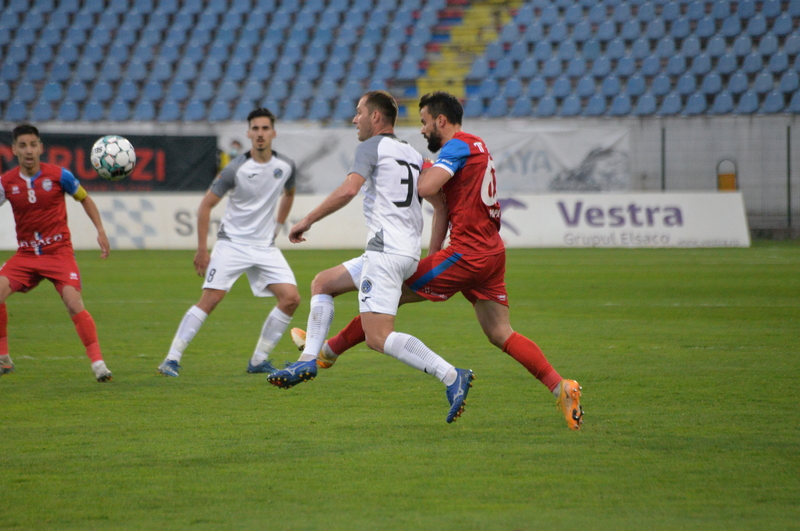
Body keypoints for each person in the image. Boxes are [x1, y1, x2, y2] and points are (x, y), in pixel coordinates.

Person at [292, 91, 584, 430]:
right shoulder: (478, 146)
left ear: (440, 121)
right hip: (491, 253)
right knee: (500, 332)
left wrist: (409, 168)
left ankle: (326, 353)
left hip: (466, 254)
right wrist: (433, 258)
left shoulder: (457, 146)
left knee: (387, 296)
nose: (422, 130)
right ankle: (561, 386)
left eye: (425, 122)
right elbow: (442, 208)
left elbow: (425, 185)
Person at [266, 90, 474, 424]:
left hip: (385, 253)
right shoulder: (413, 153)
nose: (354, 119)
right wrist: (431, 254)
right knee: (323, 283)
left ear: (376, 117)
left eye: (359, 112)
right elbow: (441, 205)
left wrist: (306, 220)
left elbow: (349, 189)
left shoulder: (370, 147)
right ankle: (308, 359)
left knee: (378, 337)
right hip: (403, 253)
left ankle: (451, 375)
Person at [0, 124, 113, 383]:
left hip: (59, 253)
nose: (29, 150)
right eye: (22, 145)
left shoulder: (60, 175)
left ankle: (99, 363)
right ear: (14, 149)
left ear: (41, 148)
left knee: (73, 302)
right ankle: (3, 360)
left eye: (33, 145)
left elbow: (85, 199)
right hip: (26, 255)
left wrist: (100, 230)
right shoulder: (6, 182)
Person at [158, 108, 300, 377]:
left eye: (264, 128)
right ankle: (171, 358)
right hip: (232, 244)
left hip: (264, 247)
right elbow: (205, 206)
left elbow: (289, 193)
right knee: (211, 299)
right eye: (255, 129)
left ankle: (259, 360)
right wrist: (202, 249)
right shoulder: (235, 169)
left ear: (273, 133)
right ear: (248, 134)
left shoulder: (286, 166)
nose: (260, 134)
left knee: (291, 299)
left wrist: (278, 226)